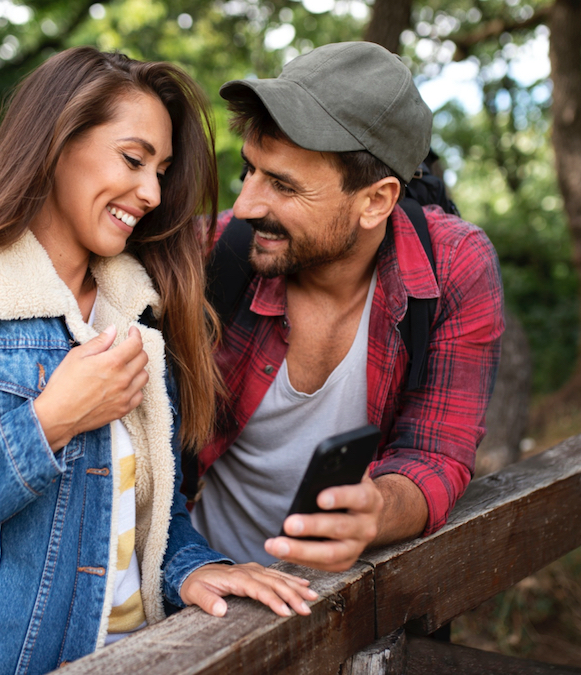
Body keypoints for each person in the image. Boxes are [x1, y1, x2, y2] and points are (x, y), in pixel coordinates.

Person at [0, 47, 316, 675]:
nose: (151, 192)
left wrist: (196, 569)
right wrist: (46, 424)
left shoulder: (137, 310)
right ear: (55, 143)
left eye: (161, 170)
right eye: (134, 159)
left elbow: (144, 514)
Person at [188, 41, 505, 572]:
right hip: (196, 587)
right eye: (251, 171)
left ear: (376, 201)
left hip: (342, 598)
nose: (244, 205)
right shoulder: (210, 254)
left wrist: (376, 510)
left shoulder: (455, 267)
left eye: (284, 186)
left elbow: (436, 454)